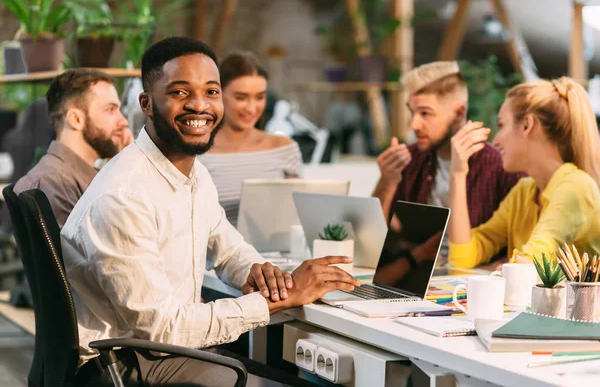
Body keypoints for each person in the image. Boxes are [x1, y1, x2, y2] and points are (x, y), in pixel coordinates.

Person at [61, 37, 360, 386]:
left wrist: (258, 271)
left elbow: (227, 245)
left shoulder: (192, 171)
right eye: (179, 93)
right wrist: (281, 300)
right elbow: (163, 329)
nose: (200, 105)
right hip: (126, 364)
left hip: (159, 352)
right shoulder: (123, 196)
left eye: (212, 92)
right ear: (147, 102)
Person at [372, 61, 522, 265]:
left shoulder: (500, 166)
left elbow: (519, 251)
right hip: (417, 276)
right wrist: (387, 181)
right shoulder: (411, 159)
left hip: (471, 282)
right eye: (412, 112)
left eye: (425, 113)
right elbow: (376, 238)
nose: (414, 124)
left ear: (459, 113)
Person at [448, 77, 600, 269]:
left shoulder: (576, 187)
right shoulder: (524, 191)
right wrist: (457, 175)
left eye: (502, 125)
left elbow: (526, 268)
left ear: (527, 125)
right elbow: (462, 259)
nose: (495, 142)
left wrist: (495, 268)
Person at [14, 69, 132, 228]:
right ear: (76, 119)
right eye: (110, 110)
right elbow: (111, 246)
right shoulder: (54, 184)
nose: (123, 121)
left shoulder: (80, 178)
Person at [199, 52, 302, 226]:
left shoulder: (284, 148)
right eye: (241, 97)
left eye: (260, 97)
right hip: (216, 252)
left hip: (277, 252)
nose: (252, 108)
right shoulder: (197, 152)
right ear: (217, 94)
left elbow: (297, 218)